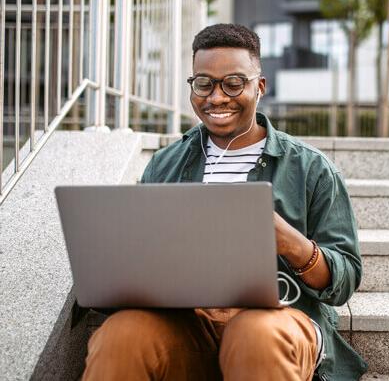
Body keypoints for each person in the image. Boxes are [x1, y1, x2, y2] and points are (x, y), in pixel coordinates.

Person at [81, 23, 367, 381]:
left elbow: (345, 278)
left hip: (276, 322)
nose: (216, 97)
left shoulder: (311, 169)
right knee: (122, 335)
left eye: (233, 83)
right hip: (186, 327)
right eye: (204, 83)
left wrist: (289, 241)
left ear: (259, 87)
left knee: (255, 335)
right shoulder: (165, 164)